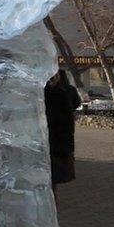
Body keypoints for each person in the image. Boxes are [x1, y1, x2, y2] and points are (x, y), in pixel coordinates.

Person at [44, 69, 81, 197]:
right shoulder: (67, 90)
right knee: (54, 167)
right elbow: (76, 103)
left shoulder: (56, 91)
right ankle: (52, 194)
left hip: (55, 134)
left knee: (53, 167)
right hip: (61, 134)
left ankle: (51, 195)